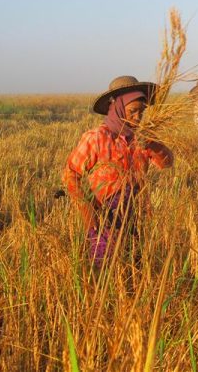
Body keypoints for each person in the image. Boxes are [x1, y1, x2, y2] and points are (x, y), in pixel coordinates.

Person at [62, 75, 174, 269]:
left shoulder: (143, 138)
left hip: (135, 209)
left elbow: (166, 163)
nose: (138, 117)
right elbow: (71, 174)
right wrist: (87, 210)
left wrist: (153, 145)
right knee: (104, 264)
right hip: (103, 214)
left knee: (134, 262)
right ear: (118, 108)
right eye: (132, 112)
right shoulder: (97, 138)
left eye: (142, 112)